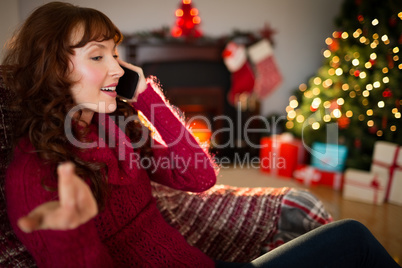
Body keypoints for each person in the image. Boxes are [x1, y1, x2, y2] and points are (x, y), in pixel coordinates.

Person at [2, 2, 400, 268]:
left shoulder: (114, 128)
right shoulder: (36, 173)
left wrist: (146, 97)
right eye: (97, 55)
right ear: (53, 68)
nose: (117, 69)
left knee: (348, 241)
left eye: (115, 53)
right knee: (355, 241)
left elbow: (200, 177)